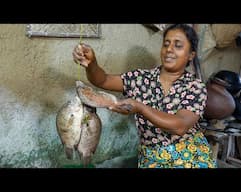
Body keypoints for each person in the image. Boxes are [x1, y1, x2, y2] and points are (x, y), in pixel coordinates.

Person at [72, 24, 217, 168]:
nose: (169, 50)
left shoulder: (195, 86)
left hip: (190, 154)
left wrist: (141, 108)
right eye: (166, 44)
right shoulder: (140, 78)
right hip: (153, 157)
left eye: (178, 46)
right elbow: (103, 80)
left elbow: (179, 126)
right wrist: (91, 64)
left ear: (191, 55)